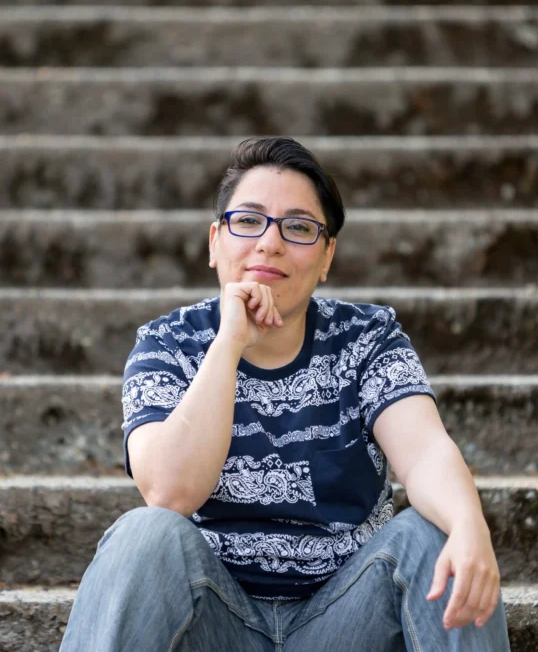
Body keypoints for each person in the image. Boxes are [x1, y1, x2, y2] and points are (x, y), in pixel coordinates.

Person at [59, 136, 512, 652]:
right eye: (248, 221)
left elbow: (425, 449)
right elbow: (169, 491)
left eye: (298, 228)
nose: (269, 243)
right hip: (214, 624)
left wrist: (470, 524)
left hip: (346, 621)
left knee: (434, 534)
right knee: (143, 535)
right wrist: (229, 342)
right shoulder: (168, 345)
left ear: (326, 257)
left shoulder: (367, 338)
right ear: (214, 242)